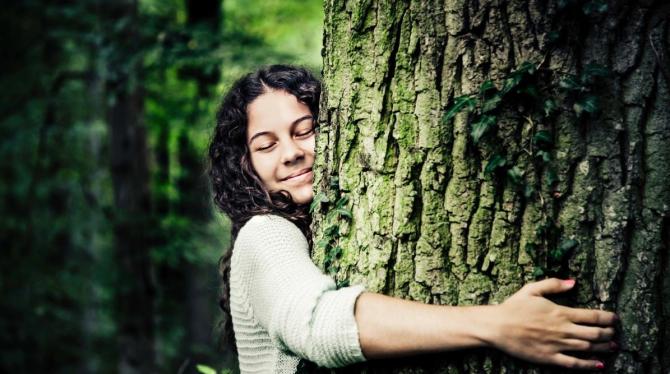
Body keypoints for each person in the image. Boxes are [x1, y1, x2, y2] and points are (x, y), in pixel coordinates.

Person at [208, 65, 617, 373]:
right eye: (266, 145)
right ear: (245, 166)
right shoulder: (263, 233)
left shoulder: (320, 230)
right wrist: (498, 324)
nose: (292, 153)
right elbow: (316, 324)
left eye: (305, 130)